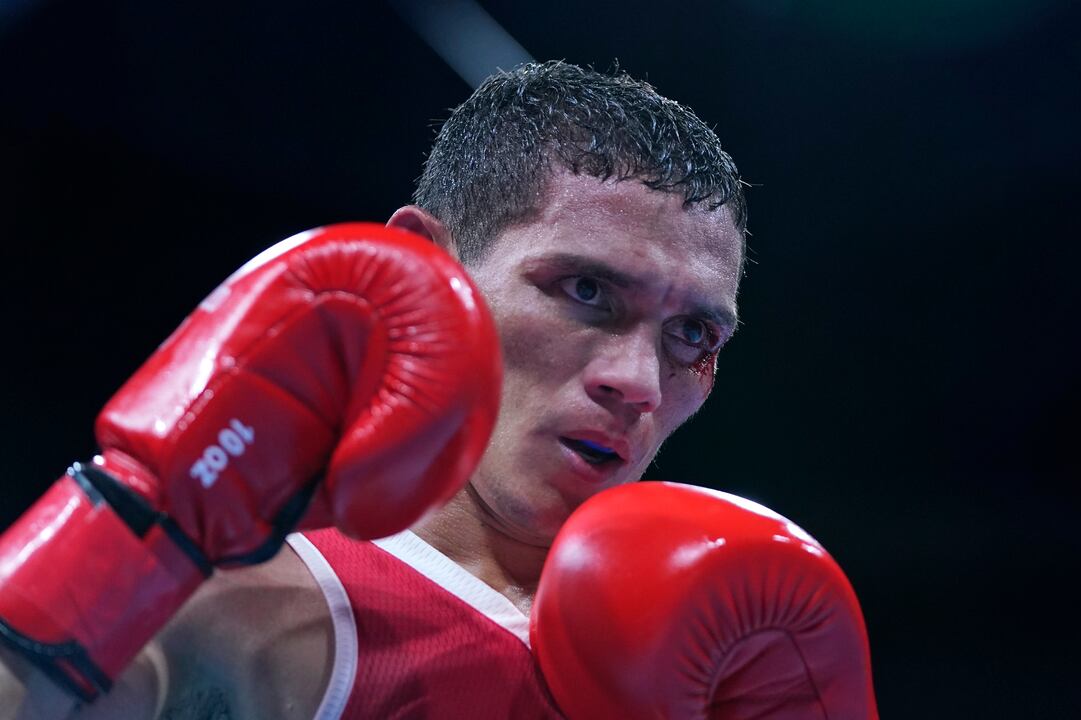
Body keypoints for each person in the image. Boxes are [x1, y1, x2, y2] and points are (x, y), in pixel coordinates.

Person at [0, 61, 876, 719]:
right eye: (585, 291)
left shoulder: (748, 652)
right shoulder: (261, 606)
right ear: (427, 267)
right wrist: (132, 520)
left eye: (694, 334)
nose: (638, 382)